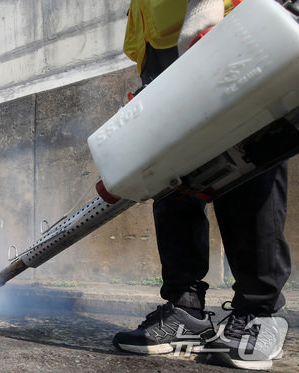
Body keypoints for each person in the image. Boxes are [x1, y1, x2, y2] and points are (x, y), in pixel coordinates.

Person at [112, 0, 291, 370]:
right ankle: (185, 310)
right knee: (170, 178)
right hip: (159, 42)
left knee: (246, 163)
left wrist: (206, 10)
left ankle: (259, 312)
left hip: (224, 21)